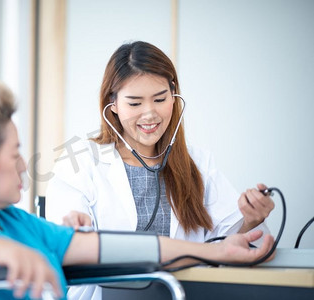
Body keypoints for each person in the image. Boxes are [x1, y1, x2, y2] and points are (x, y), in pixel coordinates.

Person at [0, 75, 274, 300]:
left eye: (160, 99)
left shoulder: (18, 224)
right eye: (14, 153)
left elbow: (130, 248)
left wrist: (220, 250)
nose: (25, 165)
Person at [45, 41, 275, 299]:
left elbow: (226, 246)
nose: (149, 114)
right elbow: (68, 249)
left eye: (160, 99)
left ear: (174, 96)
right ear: (113, 104)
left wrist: (250, 219)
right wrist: (76, 229)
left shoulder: (198, 162)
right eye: (134, 103)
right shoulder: (81, 163)